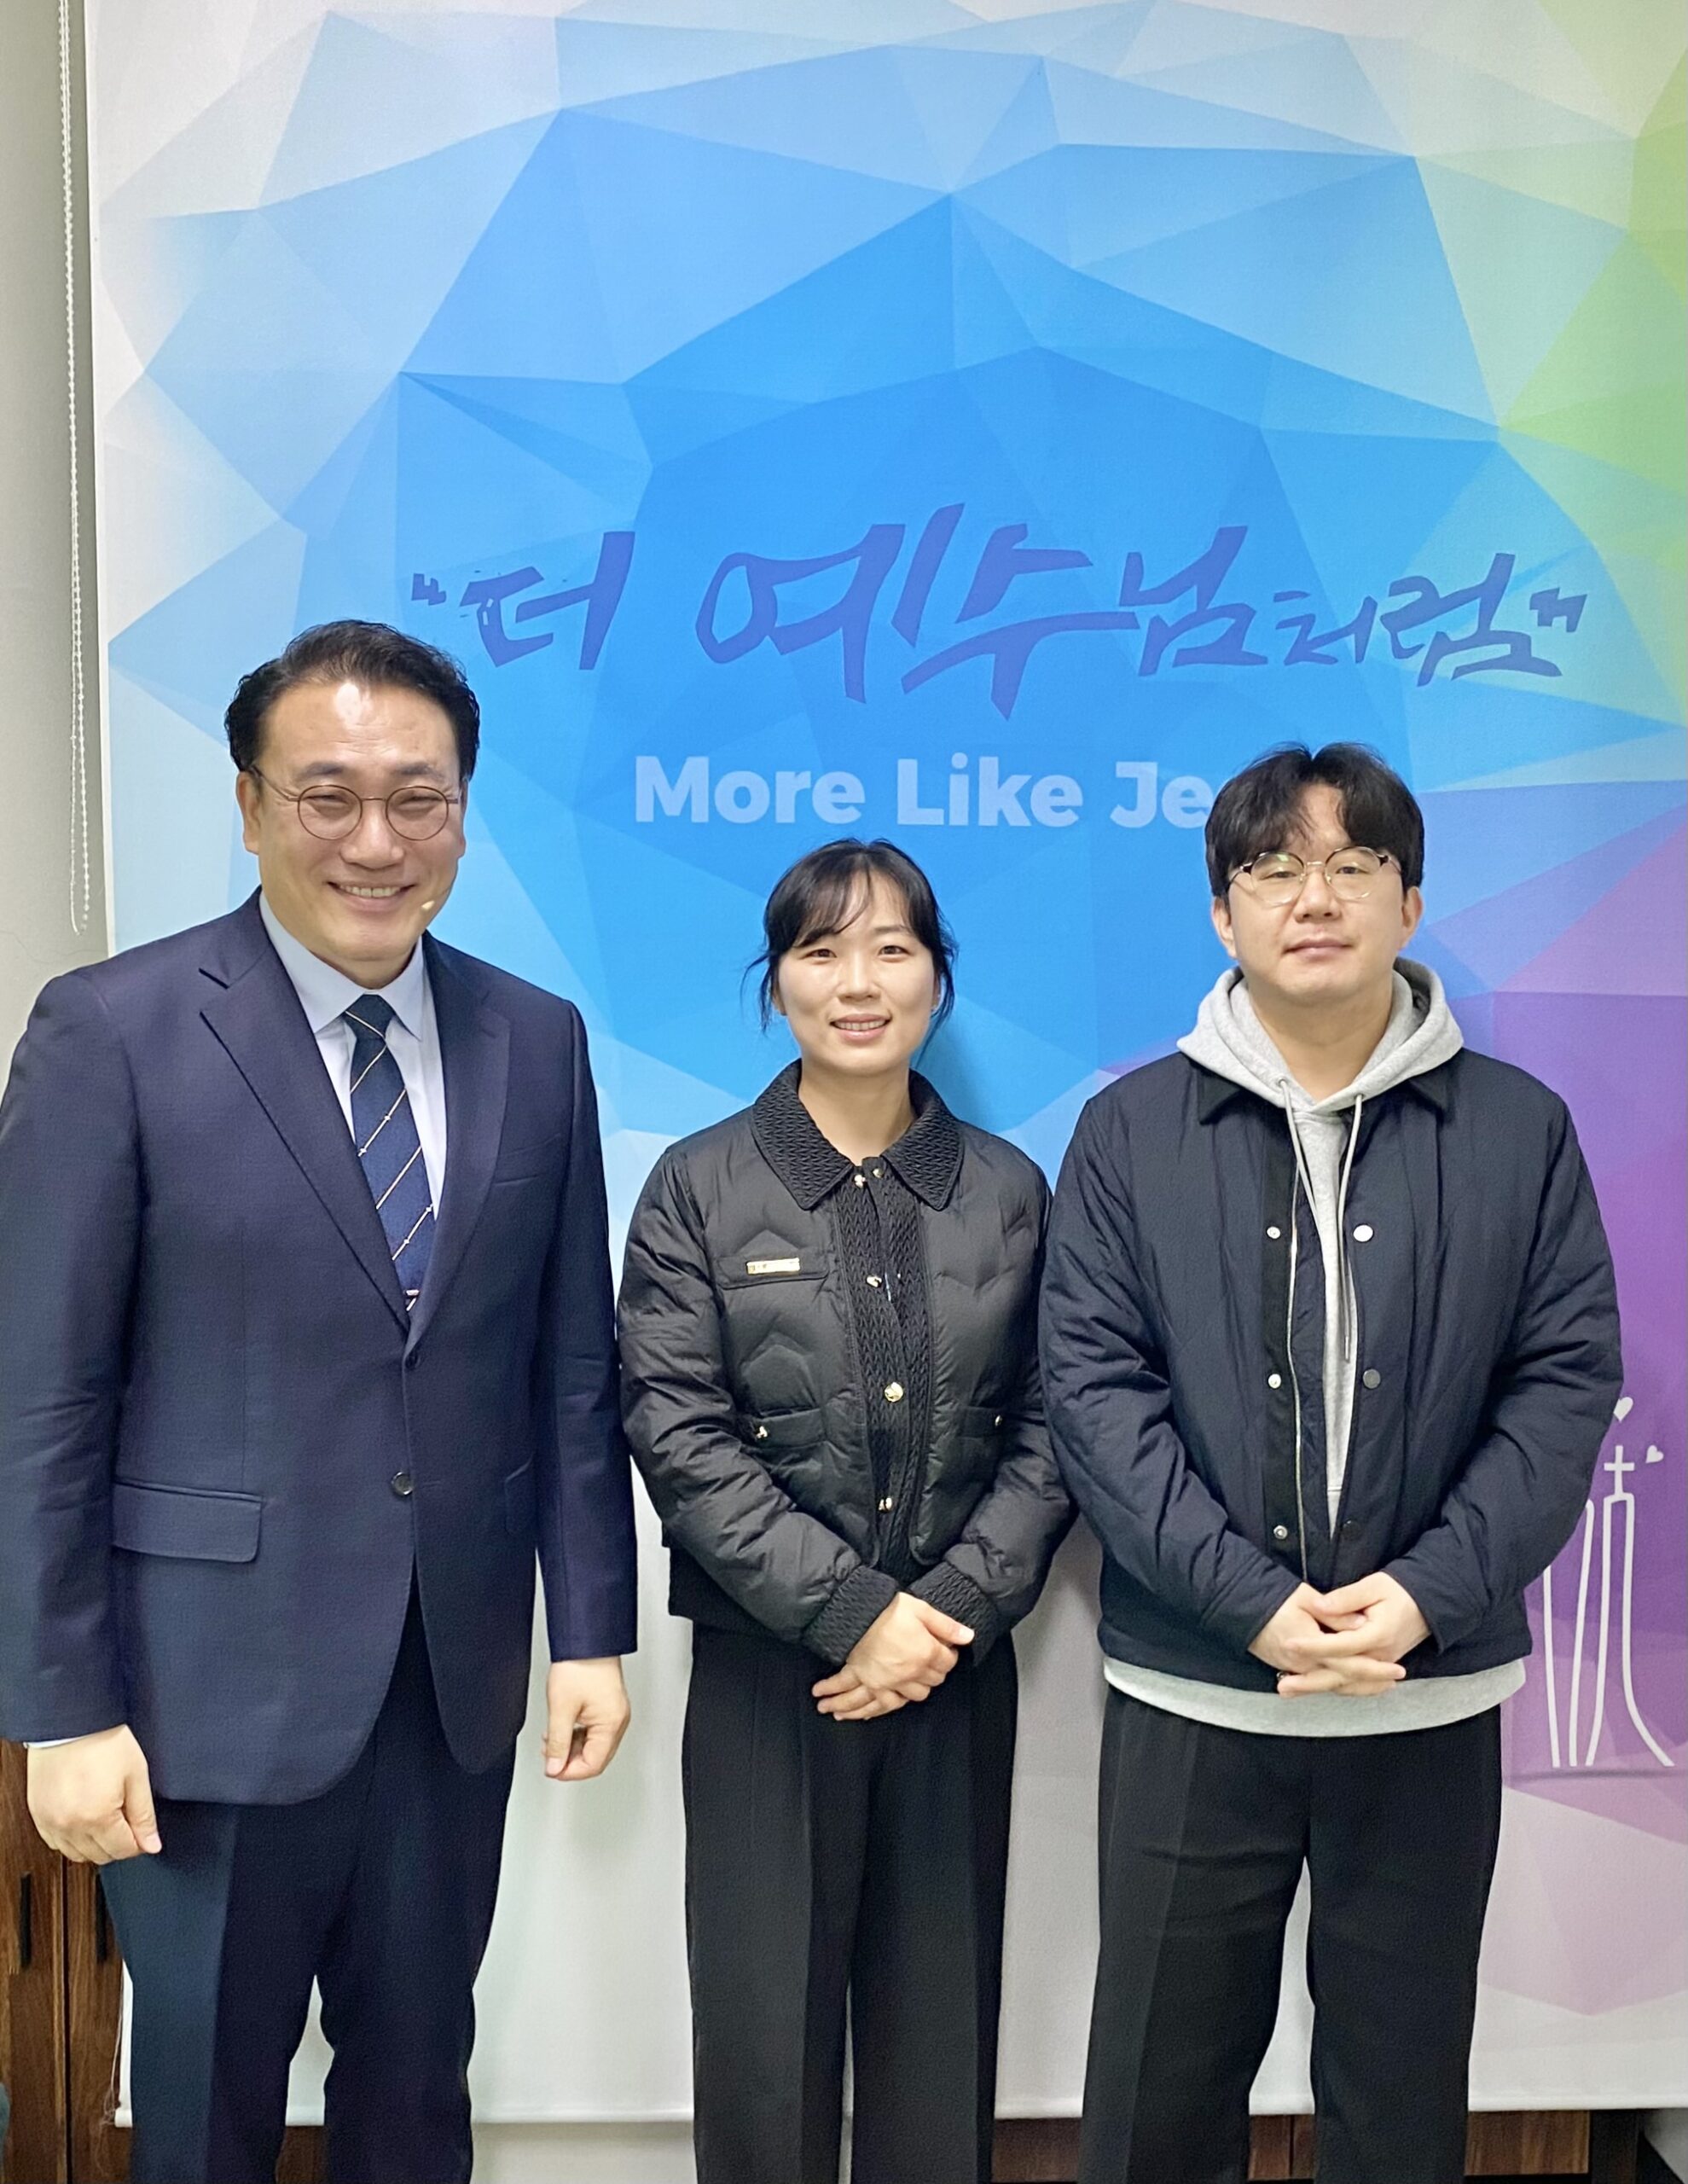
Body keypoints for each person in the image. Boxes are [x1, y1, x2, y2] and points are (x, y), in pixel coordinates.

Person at [0, 622, 638, 2184]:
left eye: (419, 798)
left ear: (463, 814)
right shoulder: (111, 1029)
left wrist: (592, 1627)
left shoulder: (536, 1038)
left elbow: (569, 1365)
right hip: (200, 1696)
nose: (376, 842)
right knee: (205, 2112)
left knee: (418, 2097)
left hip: (448, 1684)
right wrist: (61, 1710)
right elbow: (40, 1398)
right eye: (328, 795)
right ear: (248, 804)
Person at [1041, 742, 1622, 2184]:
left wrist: (1422, 1598)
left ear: (1410, 903)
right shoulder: (1129, 1131)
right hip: (1196, 1687)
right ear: (1223, 911)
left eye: (1354, 864)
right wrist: (1248, 1603)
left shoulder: (1518, 1130)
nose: (1316, 897)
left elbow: (1561, 1388)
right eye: (1274, 868)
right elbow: (1095, 1395)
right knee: (1157, 2096)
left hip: (1428, 1696)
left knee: (1400, 2097)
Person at [618, 838, 1070, 2184]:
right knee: (765, 2051)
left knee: (940, 2052)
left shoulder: (1010, 1191)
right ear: (778, 984)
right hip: (769, 1678)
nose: (857, 983)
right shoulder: (698, 1187)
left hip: (953, 1670)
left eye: (892, 950)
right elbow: (677, 1431)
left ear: (939, 977)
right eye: (820, 952)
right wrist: (853, 1614)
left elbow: (1060, 1425)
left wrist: (946, 1611)